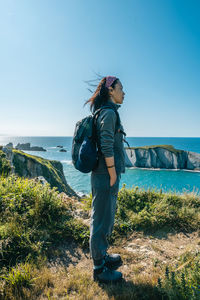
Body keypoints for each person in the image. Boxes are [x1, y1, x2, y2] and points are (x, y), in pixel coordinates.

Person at [84, 76, 126, 283]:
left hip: (102, 173)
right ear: (110, 90)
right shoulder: (109, 113)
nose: (124, 93)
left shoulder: (105, 112)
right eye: (121, 88)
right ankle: (99, 269)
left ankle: (102, 255)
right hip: (105, 174)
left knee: (105, 216)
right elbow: (107, 145)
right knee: (100, 220)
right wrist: (112, 173)